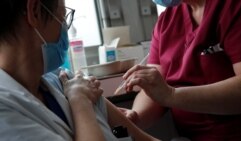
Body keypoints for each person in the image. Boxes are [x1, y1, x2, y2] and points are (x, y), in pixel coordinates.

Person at [0, 0, 160, 141]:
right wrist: (81, 103)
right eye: (63, 17)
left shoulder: (66, 80)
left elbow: (143, 139)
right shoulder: (5, 113)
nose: (65, 29)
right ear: (34, 11)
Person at [121, 0, 241, 141]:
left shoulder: (236, 8)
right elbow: (154, 86)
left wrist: (172, 95)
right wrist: (135, 117)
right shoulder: (166, 21)